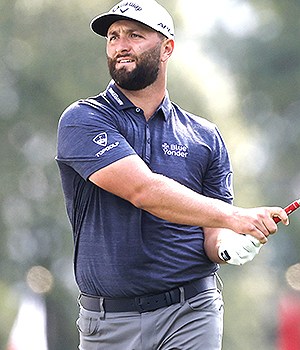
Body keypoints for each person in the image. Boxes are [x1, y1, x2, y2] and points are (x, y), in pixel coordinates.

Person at [56, 1, 288, 349]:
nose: (121, 45)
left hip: (191, 313)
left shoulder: (204, 136)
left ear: (167, 48)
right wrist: (236, 217)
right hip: (108, 323)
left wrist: (229, 245)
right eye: (114, 36)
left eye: (135, 35)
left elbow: (213, 235)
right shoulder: (83, 119)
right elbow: (142, 190)